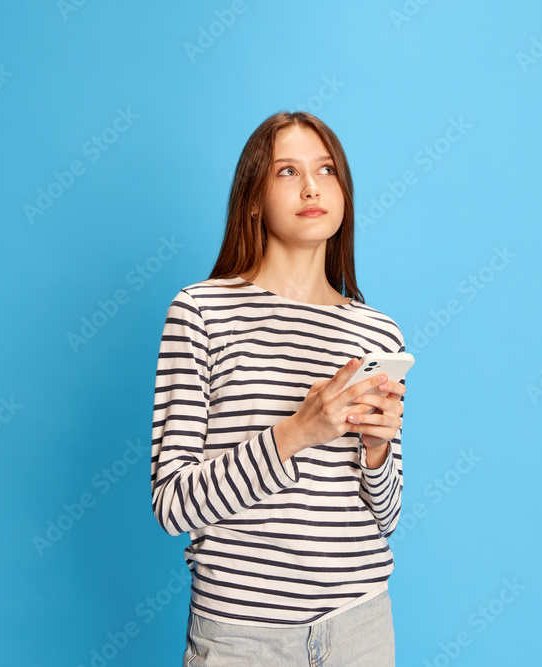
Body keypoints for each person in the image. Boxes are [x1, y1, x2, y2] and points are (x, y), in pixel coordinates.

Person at [149, 110, 407, 666]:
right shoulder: (201, 313)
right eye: (287, 171)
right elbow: (173, 506)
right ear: (252, 199)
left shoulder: (377, 333)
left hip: (360, 626)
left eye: (326, 170)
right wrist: (295, 433)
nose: (312, 187)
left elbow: (386, 517)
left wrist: (377, 451)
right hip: (242, 637)